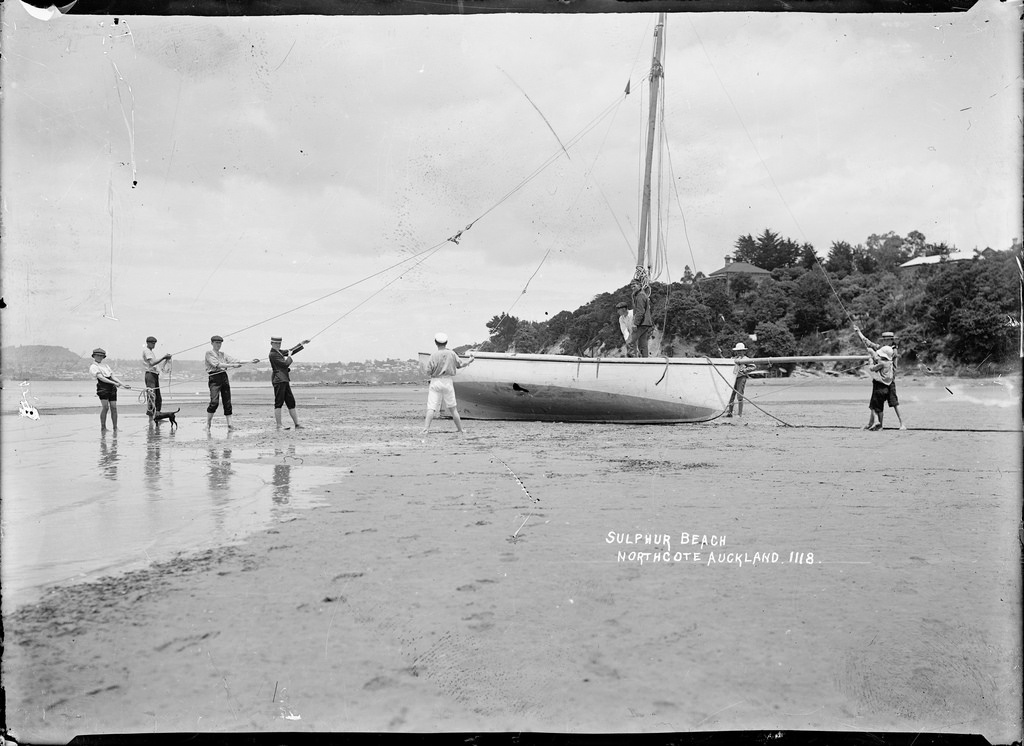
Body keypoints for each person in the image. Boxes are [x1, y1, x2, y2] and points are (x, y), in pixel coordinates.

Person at [422, 332, 475, 435]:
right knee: (453, 408)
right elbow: (460, 365)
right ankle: (460, 429)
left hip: (435, 381)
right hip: (447, 382)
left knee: (431, 407)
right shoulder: (451, 353)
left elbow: (428, 371)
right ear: (446, 342)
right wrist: (469, 361)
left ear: (435, 343)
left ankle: (426, 429)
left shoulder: (433, 355)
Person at [856, 327, 907, 429]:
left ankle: (902, 424)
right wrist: (858, 332)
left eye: (887, 340)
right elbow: (868, 343)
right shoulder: (882, 349)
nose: (885, 341)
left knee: (893, 403)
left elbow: (879, 358)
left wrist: (872, 355)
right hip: (882, 380)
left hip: (889, 381)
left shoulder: (892, 351)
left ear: (891, 340)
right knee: (876, 403)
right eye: (884, 340)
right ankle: (873, 423)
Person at [205, 335, 259, 431]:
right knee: (214, 402)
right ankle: (208, 423)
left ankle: (230, 425)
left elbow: (236, 360)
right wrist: (233, 365)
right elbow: (218, 365)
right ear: (212, 343)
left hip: (223, 377)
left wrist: (251, 361)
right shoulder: (209, 353)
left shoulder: (223, 354)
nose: (218, 345)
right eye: (216, 343)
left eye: (220, 343)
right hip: (214, 377)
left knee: (227, 401)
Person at [269, 336, 310, 430]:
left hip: (284, 379)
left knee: (291, 401)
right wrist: (290, 356)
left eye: (279, 343)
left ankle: (297, 424)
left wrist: (302, 343)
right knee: (279, 402)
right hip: (279, 380)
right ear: (272, 343)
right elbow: (285, 364)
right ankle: (279, 425)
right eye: (276, 343)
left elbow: (291, 350)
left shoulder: (278, 352)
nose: (278, 345)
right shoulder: (272, 354)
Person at [89, 347, 130, 432]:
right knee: (105, 407)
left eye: (101, 356)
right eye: (98, 355)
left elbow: (112, 376)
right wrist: (114, 383)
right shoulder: (93, 366)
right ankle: (103, 427)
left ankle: (115, 427)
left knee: (114, 408)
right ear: (94, 356)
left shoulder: (106, 366)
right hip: (103, 388)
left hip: (112, 388)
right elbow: (101, 378)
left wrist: (123, 384)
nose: (99, 357)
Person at [864, 345, 895, 431]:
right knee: (880, 408)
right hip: (886, 388)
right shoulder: (890, 362)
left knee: (873, 406)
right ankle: (879, 425)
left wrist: (870, 361)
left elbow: (872, 368)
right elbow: (878, 359)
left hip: (879, 387)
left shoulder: (881, 363)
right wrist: (871, 352)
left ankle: (877, 422)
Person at [142, 336, 172, 420]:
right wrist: (163, 357)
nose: (153, 344)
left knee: (158, 397)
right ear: (147, 343)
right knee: (152, 396)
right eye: (152, 343)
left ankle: (157, 416)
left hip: (154, 375)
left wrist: (165, 359)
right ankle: (151, 420)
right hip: (150, 375)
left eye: (154, 343)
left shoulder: (151, 352)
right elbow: (152, 363)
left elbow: (156, 364)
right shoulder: (147, 351)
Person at [725, 342, 757, 418]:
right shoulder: (733, 359)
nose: (739, 352)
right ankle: (730, 412)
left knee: (739, 395)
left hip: (741, 378)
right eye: (738, 351)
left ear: (744, 351)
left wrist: (745, 370)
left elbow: (753, 367)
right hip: (733, 378)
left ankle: (740, 414)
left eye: (740, 350)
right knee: (731, 395)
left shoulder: (746, 359)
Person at [627, 281, 654, 357]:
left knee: (630, 341)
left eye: (634, 286)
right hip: (645, 323)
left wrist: (635, 323)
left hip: (642, 323)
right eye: (631, 286)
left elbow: (640, 311)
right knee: (643, 344)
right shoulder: (641, 295)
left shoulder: (640, 296)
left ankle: (631, 360)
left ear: (639, 285)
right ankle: (645, 360)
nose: (632, 288)